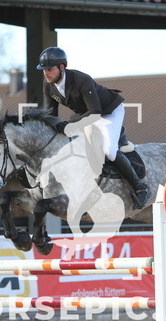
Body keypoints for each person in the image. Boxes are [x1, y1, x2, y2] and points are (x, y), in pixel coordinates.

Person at [37, 46, 151, 210]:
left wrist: (70, 125)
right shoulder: (49, 85)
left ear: (62, 67)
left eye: (49, 69)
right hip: (87, 114)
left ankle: (140, 187)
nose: (45, 73)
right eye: (43, 69)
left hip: (108, 112)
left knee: (108, 151)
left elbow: (95, 112)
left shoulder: (81, 80)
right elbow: (50, 114)